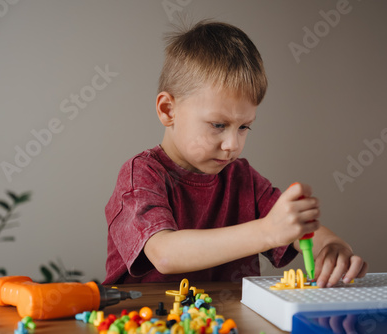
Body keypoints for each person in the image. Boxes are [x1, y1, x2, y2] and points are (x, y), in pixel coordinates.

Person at [103, 20, 367, 287]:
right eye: (218, 125)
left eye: (244, 127)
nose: (232, 144)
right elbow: (165, 254)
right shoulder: (141, 175)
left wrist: (331, 244)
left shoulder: (242, 178)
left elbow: (291, 227)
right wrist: (266, 231)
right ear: (168, 110)